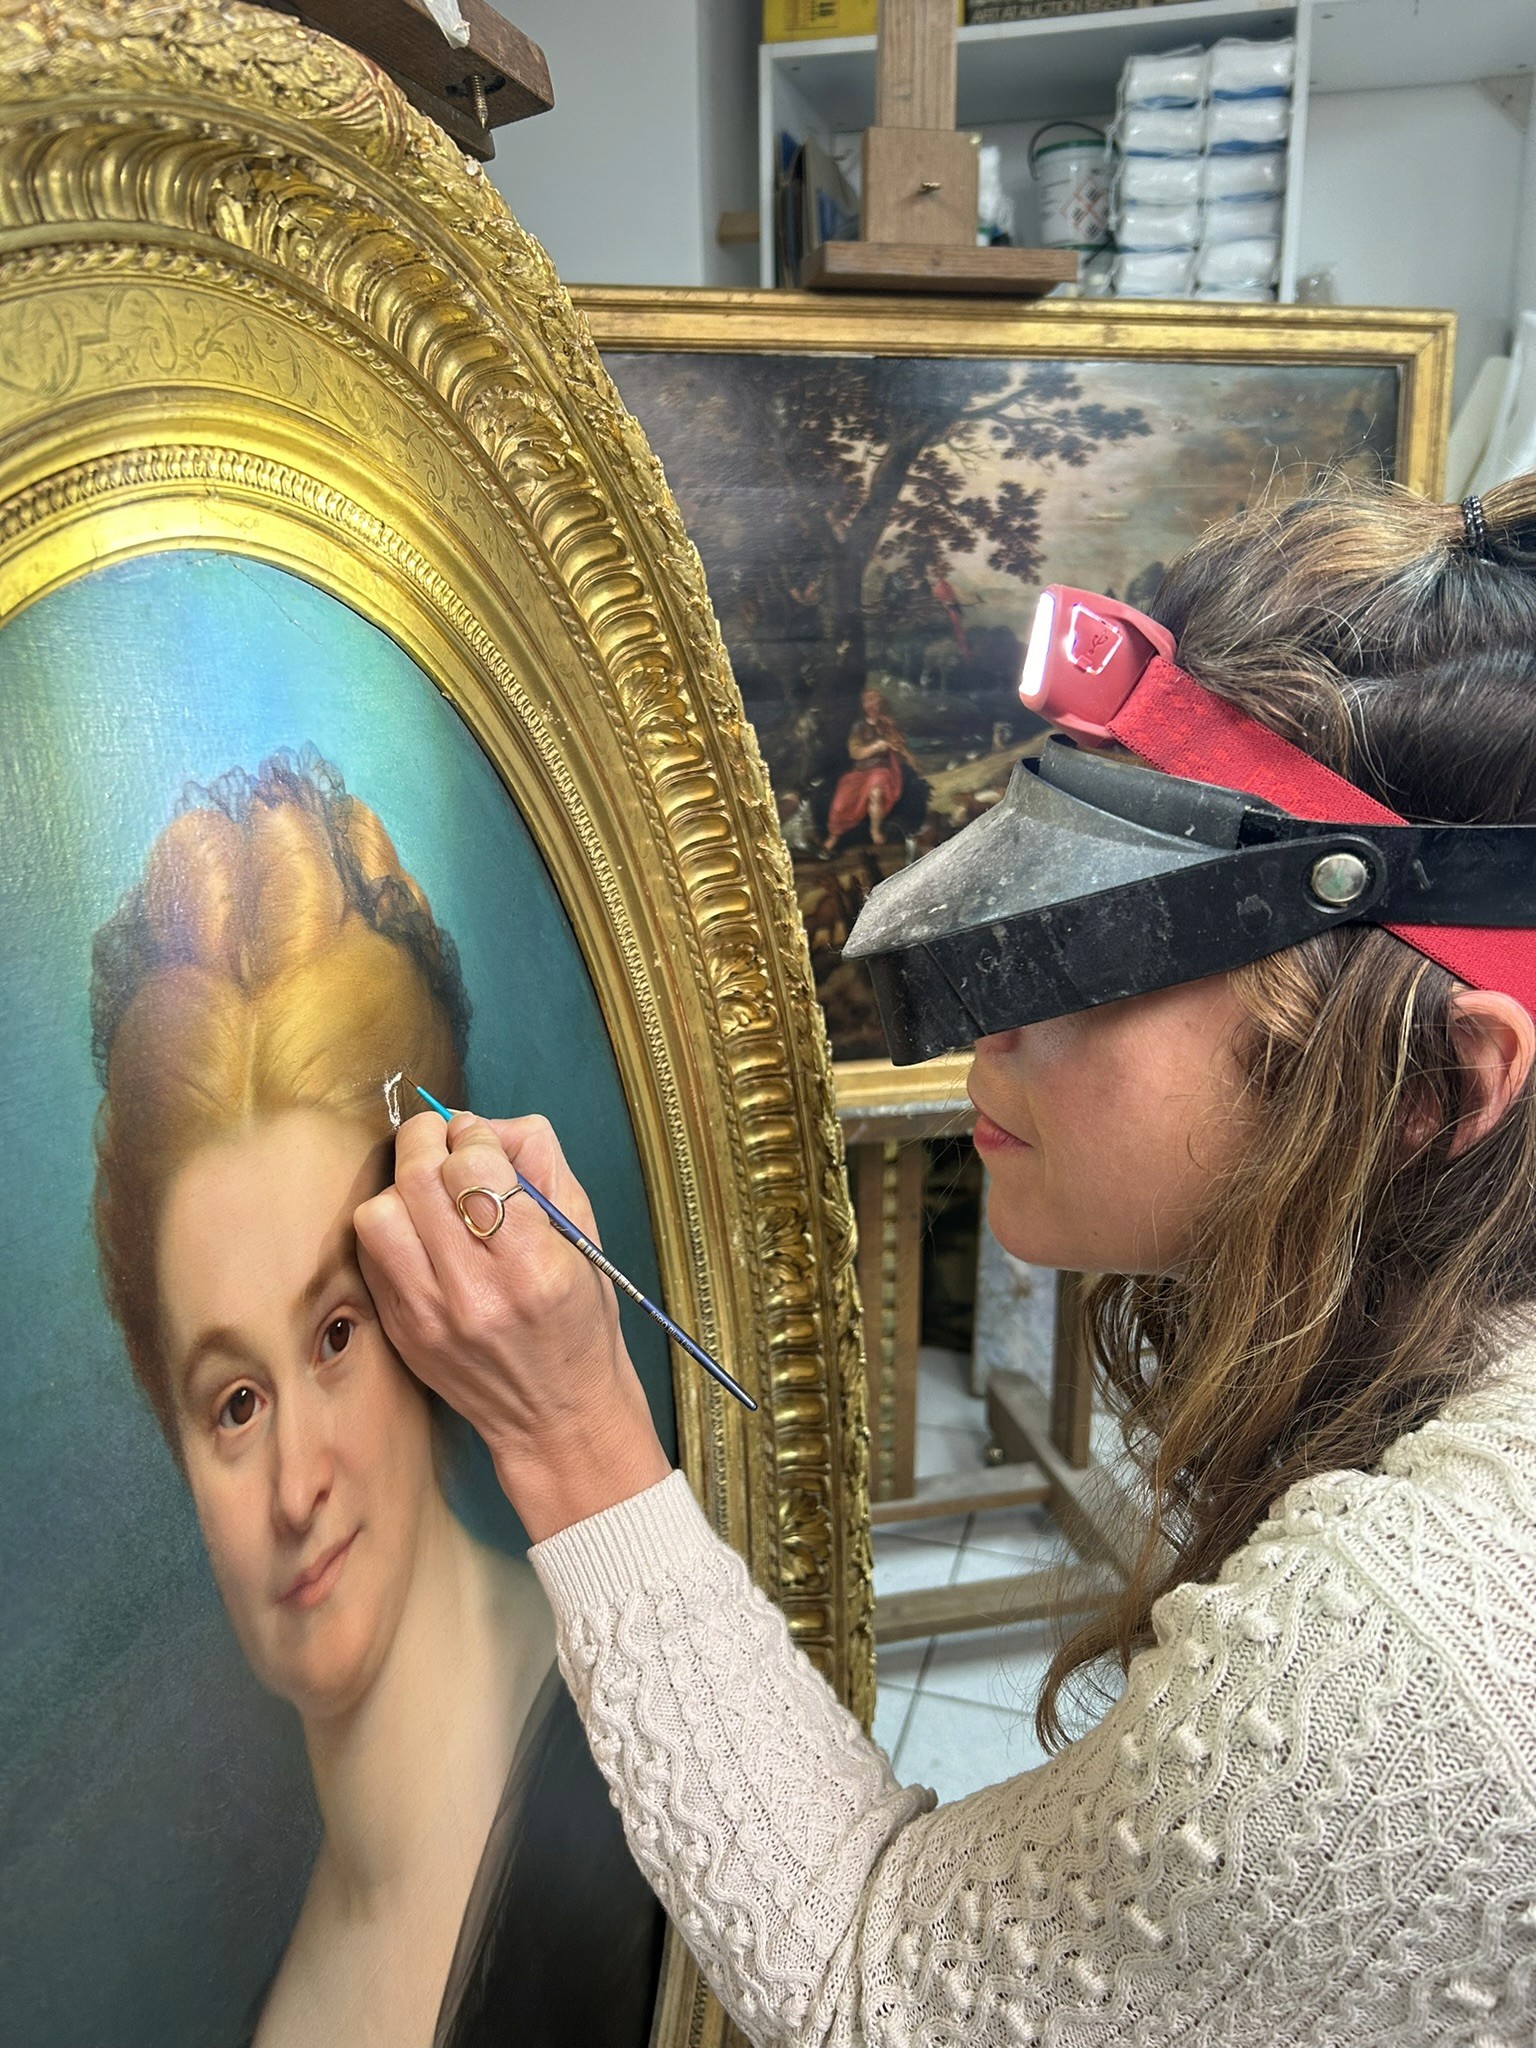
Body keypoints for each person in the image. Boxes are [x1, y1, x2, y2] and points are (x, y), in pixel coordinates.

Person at [354, 476, 1536, 2044]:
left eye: (1104, 947)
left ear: (1434, 1086)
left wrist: (568, 1425)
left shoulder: (1403, 1663)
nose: (997, 1023)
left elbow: (870, 1983)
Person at [90, 756, 659, 2048]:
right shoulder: (298, 1954)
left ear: (431, 1307)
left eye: (336, 1334)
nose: (296, 1486)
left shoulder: (624, 1777)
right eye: (234, 1402)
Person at [823, 686, 915, 851]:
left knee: (876, 792)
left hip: (881, 770)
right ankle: (834, 835)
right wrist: (876, 746)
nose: (872, 705)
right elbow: (855, 752)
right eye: (868, 701)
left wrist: (905, 755)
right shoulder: (859, 727)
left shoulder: (887, 725)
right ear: (863, 705)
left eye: (875, 700)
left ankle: (875, 831)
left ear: (881, 703)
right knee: (840, 804)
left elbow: (898, 746)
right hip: (860, 771)